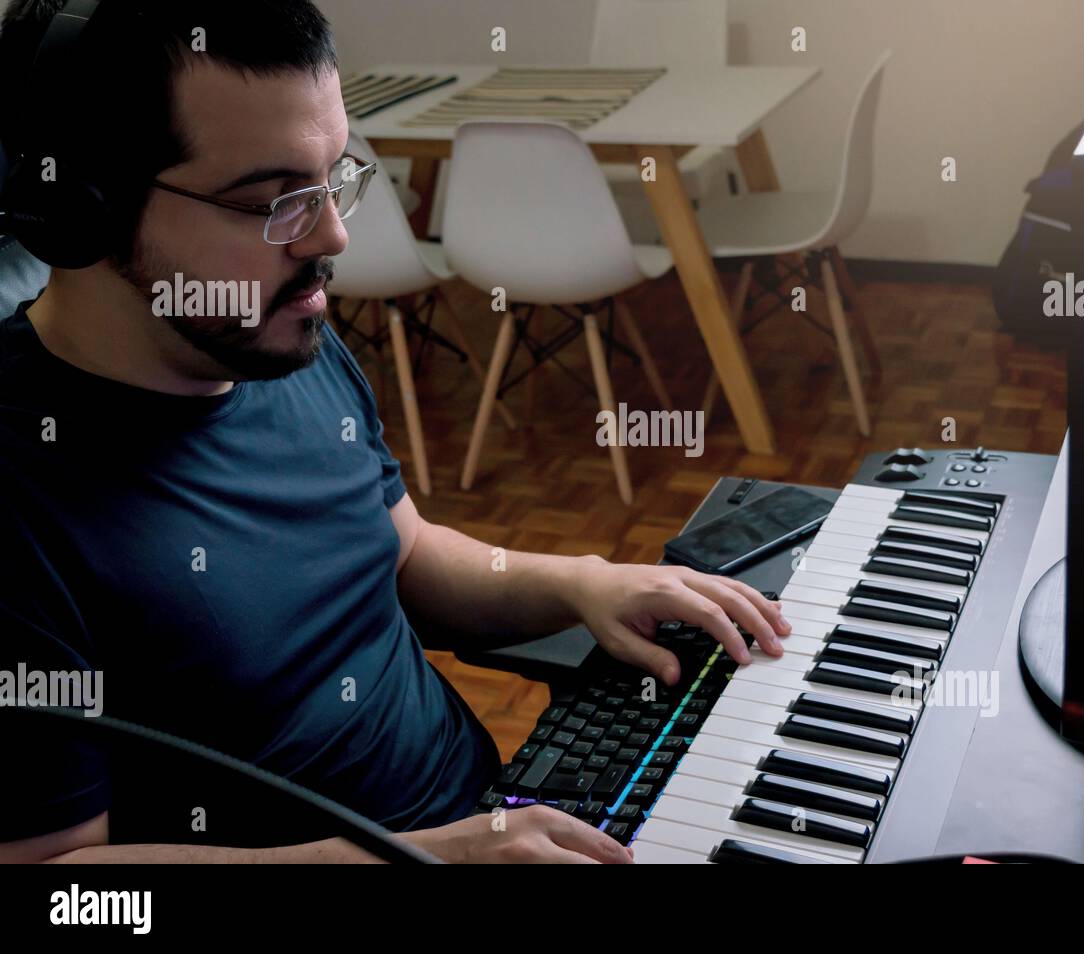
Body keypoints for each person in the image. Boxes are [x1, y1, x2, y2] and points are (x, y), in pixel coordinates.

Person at [0, 0, 791, 863]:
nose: (334, 236)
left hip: (490, 817)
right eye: (273, 203)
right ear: (81, 210)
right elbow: (57, 883)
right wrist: (428, 859)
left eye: (334, 179)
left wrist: (580, 583)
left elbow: (403, 552)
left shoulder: (279, 336)